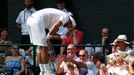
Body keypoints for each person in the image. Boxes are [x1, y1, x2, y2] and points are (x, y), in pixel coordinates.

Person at [27, 8, 76, 75]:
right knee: (44, 47)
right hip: (37, 21)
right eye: (68, 26)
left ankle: (42, 71)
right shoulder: (66, 17)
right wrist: (49, 37)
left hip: (30, 20)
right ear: (70, 22)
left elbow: (51, 35)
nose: (67, 27)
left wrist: (61, 37)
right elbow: (54, 28)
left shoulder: (55, 19)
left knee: (39, 47)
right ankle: (47, 72)